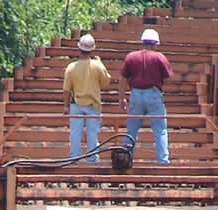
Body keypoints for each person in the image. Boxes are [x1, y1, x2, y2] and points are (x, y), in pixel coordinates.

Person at [118, 29, 173, 164]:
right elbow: (168, 78)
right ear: (155, 43)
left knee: (131, 130)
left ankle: (125, 160)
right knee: (160, 130)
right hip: (153, 93)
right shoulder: (159, 57)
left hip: (136, 94)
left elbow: (123, 79)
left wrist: (121, 97)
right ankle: (162, 161)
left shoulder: (131, 57)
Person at [63, 34, 111, 163]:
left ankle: (74, 158)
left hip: (76, 104)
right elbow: (106, 82)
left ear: (79, 49)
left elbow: (67, 90)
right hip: (93, 105)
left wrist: (66, 106)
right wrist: (100, 63)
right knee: (92, 134)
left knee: (75, 133)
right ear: (92, 50)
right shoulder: (98, 66)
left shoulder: (71, 67)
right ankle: (92, 159)